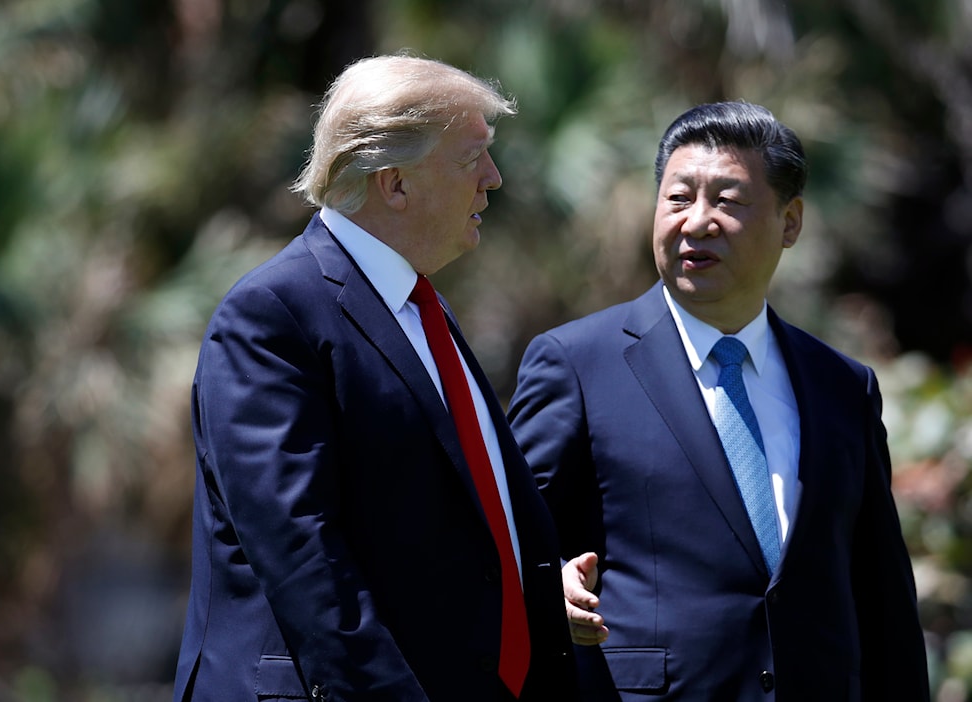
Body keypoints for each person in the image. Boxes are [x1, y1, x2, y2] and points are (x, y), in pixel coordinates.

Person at [172, 54, 576, 702]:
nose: (494, 180)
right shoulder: (270, 318)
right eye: (473, 159)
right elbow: (306, 561)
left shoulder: (424, 310)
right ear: (394, 183)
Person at [507, 101, 929, 701]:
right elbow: (504, 546)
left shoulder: (843, 386)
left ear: (790, 223)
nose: (696, 221)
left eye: (727, 201)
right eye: (678, 198)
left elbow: (882, 596)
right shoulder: (575, 364)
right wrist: (547, 592)